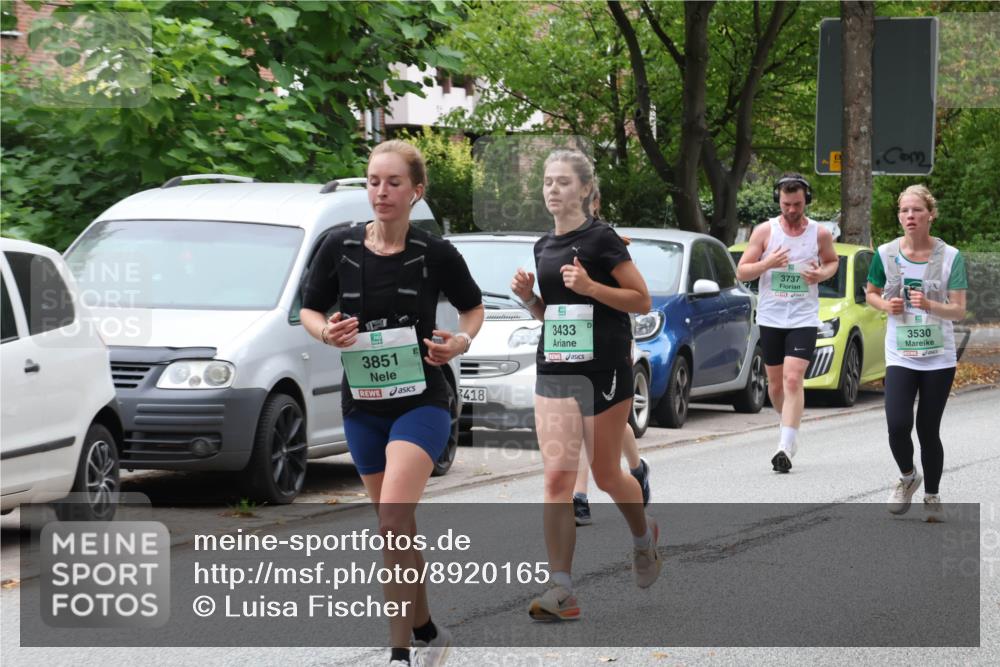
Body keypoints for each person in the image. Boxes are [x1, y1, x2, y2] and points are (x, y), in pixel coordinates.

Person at [300, 140, 484, 667]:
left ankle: (399, 653)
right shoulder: (339, 246)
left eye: (394, 182)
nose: (381, 191)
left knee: (393, 519)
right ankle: (427, 629)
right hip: (362, 405)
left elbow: (472, 310)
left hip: (423, 398)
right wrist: (326, 333)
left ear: (415, 192)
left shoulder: (434, 253)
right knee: (394, 527)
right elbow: (310, 310)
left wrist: (461, 341)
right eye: (374, 181)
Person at [511, 149, 661, 622]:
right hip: (555, 366)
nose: (552, 189)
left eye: (562, 182)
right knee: (556, 478)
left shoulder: (602, 239)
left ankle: (643, 539)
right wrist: (530, 299)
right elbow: (552, 314)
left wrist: (592, 287)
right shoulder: (543, 246)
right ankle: (562, 589)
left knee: (605, 474)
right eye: (547, 182)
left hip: (605, 367)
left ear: (584, 190)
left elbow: (640, 300)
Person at [865, 185, 966, 522]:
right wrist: (886, 304)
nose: (910, 216)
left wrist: (930, 304)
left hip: (939, 356)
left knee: (927, 428)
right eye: (905, 211)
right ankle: (908, 476)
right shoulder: (885, 253)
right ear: (899, 216)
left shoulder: (951, 256)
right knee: (897, 424)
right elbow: (871, 294)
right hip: (901, 353)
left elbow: (959, 310)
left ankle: (932, 496)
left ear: (930, 214)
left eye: (917, 210)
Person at [736, 174, 839, 473]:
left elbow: (832, 262)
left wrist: (821, 275)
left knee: (794, 379)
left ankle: (785, 445)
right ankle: (789, 427)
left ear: (807, 199)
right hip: (771, 316)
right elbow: (743, 272)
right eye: (785, 204)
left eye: (796, 204)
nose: (791, 210)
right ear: (777, 201)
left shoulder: (819, 234)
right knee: (776, 384)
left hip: (803, 317)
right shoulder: (765, 231)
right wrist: (767, 263)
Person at [570, 179, 652, 526]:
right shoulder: (555, 240)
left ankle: (636, 467)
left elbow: (636, 296)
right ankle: (578, 496)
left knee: (609, 424)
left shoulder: (608, 240)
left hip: (609, 341)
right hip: (570, 346)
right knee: (577, 421)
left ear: (596, 202)